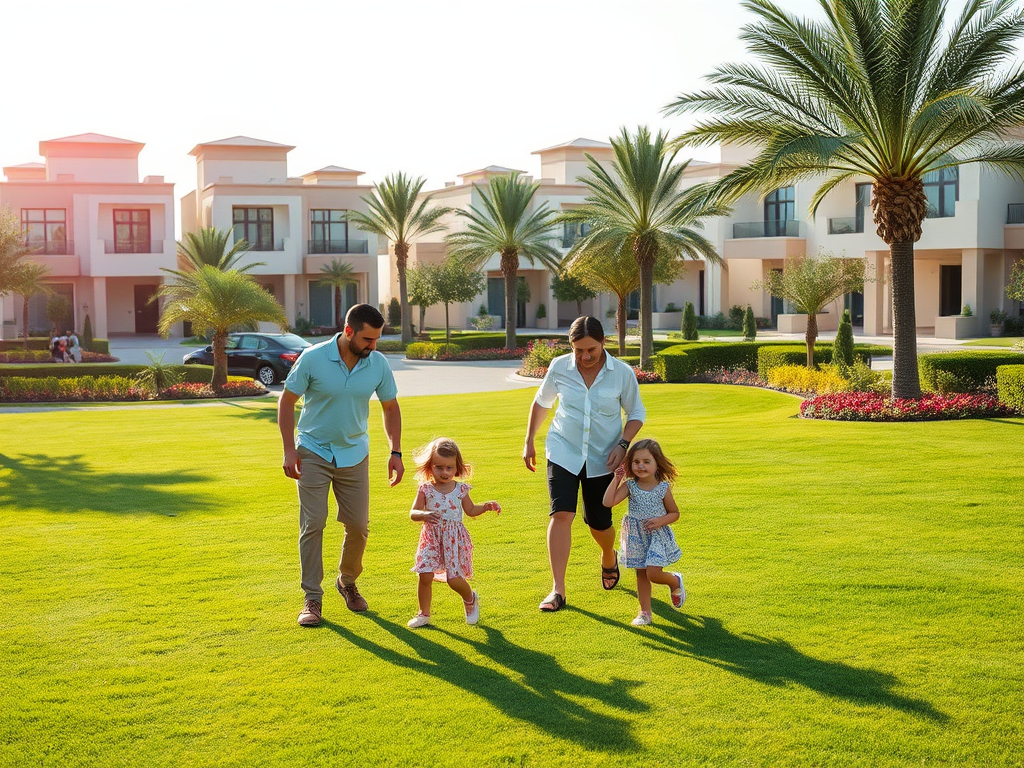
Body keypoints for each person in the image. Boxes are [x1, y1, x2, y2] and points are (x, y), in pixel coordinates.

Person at [278, 303, 404, 627]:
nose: (372, 346)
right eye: (367, 339)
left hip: (354, 453)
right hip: (313, 450)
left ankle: (347, 581)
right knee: (314, 522)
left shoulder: (377, 364)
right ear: (348, 331)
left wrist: (396, 452)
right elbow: (287, 400)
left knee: (359, 527)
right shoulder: (313, 358)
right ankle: (312, 598)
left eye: (376, 340)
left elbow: (390, 408)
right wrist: (289, 450)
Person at [524, 316, 645, 612]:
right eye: (578, 350)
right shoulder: (559, 367)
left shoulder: (622, 373)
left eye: (591, 349)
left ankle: (607, 555)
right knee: (561, 513)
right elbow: (541, 403)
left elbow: (636, 413)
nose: (585, 356)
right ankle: (558, 590)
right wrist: (529, 440)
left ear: (604, 343)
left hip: (605, 458)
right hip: (563, 449)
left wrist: (623, 445)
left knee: (599, 523)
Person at [407, 437, 501, 628]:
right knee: (425, 575)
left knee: (454, 579)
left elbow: (471, 510)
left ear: (456, 467)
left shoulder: (460, 489)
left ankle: (470, 598)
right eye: (439, 467)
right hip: (431, 538)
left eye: (449, 468)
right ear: (429, 467)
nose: (444, 472)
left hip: (453, 538)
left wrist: (486, 507)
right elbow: (413, 513)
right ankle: (423, 613)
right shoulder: (425, 489)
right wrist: (424, 514)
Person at [603, 438, 685, 626]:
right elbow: (608, 502)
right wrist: (617, 478)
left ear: (657, 464)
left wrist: (660, 521)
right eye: (636, 462)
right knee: (641, 573)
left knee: (653, 574)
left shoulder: (663, 488)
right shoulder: (630, 486)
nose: (640, 466)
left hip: (656, 535)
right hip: (636, 536)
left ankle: (674, 581)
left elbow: (675, 513)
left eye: (646, 462)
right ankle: (644, 613)